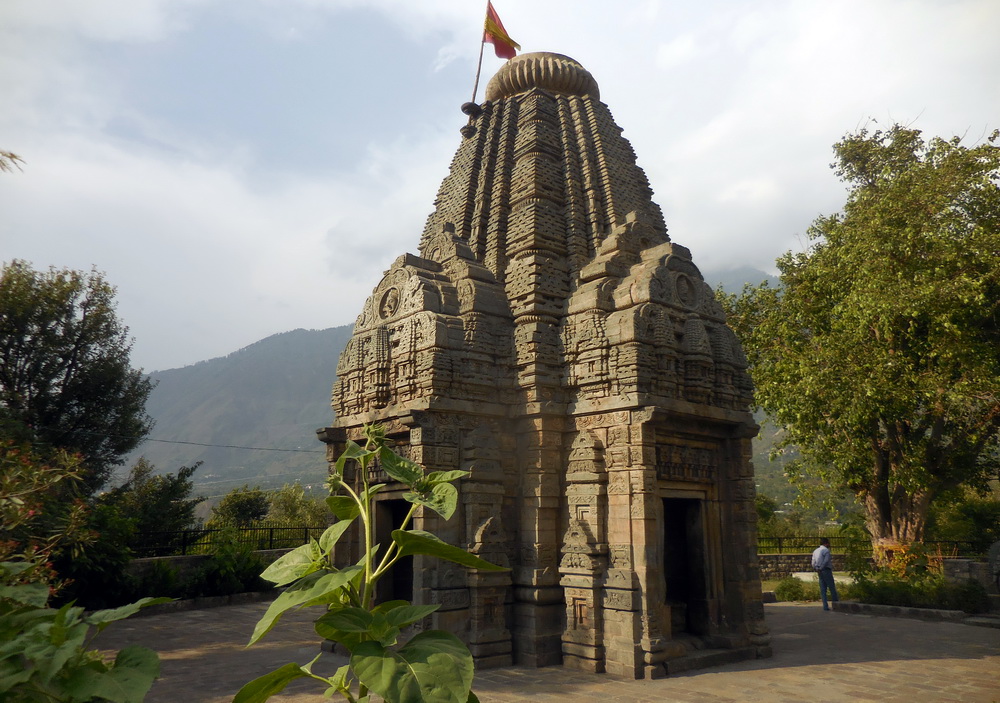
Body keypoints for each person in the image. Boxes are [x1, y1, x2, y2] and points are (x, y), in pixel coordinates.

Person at [811, 537, 839, 611]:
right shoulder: (826, 551)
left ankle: (825, 606)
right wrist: (821, 568)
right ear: (826, 543)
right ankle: (836, 605)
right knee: (831, 587)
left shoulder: (815, 551)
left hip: (819, 571)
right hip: (826, 570)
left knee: (823, 589)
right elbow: (826, 561)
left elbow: (813, 562)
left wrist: (817, 569)